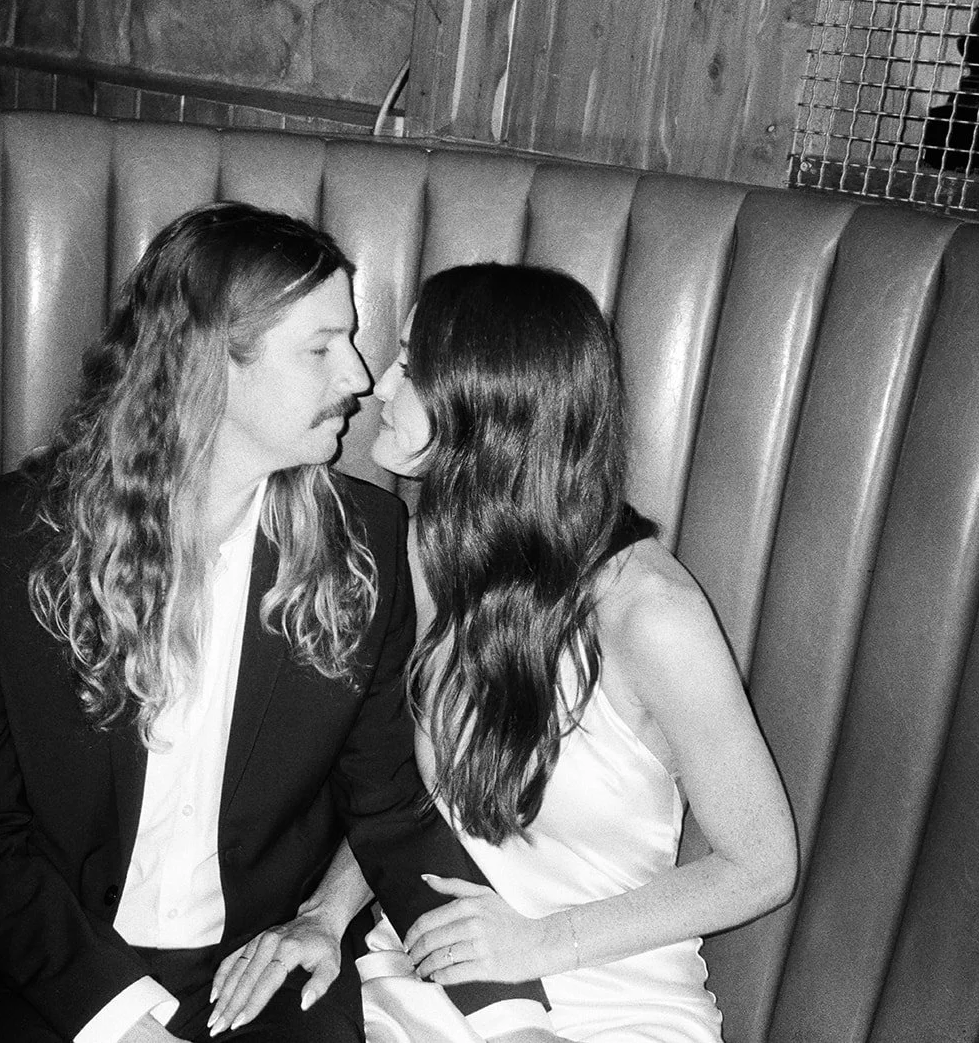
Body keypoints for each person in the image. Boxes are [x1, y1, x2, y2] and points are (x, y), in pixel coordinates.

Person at [0, 205, 557, 1043]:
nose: (358, 374)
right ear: (209, 364)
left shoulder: (368, 546)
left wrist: (510, 1014)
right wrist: (123, 1025)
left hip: (249, 971)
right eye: (321, 347)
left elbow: (391, 810)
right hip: (24, 965)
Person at [207, 263, 796, 1042]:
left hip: (611, 1002)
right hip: (426, 981)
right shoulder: (425, 551)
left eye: (413, 365)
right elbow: (398, 794)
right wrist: (324, 914)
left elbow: (762, 864)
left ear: (488, 403)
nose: (380, 385)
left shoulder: (648, 612)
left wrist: (539, 942)